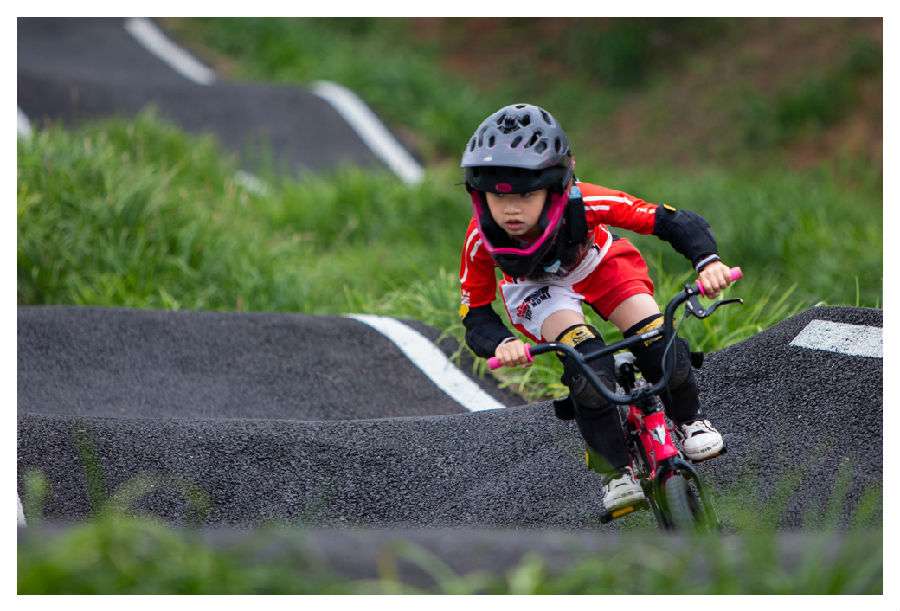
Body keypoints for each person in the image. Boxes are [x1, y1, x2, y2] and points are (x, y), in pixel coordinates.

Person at [458, 103, 733, 514]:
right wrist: (501, 343)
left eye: (526, 194)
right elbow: (475, 311)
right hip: (536, 290)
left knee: (660, 343)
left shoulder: (586, 200)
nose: (511, 210)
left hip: (599, 263)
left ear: (556, 186)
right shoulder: (479, 239)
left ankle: (691, 421)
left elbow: (668, 220)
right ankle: (615, 472)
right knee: (587, 369)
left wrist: (708, 262)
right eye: (499, 196)